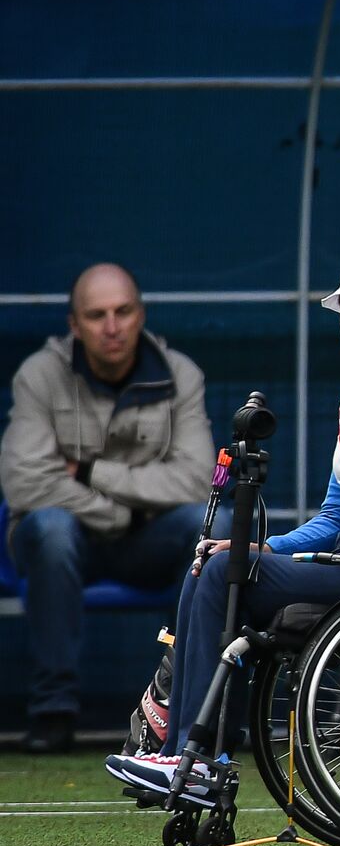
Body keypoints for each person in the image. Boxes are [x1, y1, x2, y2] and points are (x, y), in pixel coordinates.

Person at [104, 253, 340, 805]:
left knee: (216, 579)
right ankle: (179, 748)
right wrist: (262, 547)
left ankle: (194, 755)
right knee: (213, 563)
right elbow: (331, 519)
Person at [0, 263, 215, 754]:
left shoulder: (179, 373)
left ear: (141, 315)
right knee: (51, 529)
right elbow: (24, 482)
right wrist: (122, 511)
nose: (112, 327)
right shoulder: (40, 375)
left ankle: (191, 711)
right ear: (75, 325)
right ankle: (52, 712)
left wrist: (92, 472)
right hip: (67, 541)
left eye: (123, 312)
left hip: (151, 542)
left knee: (211, 526)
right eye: (97, 315)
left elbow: (196, 479)